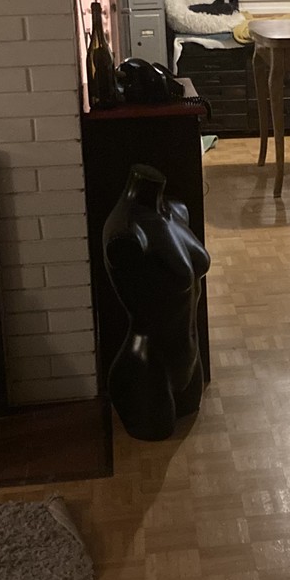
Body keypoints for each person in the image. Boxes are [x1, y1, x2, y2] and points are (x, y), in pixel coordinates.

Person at [101, 165, 210, 440]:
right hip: (147, 366)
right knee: (161, 445)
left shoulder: (176, 211)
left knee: (191, 431)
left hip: (190, 358)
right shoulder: (126, 233)